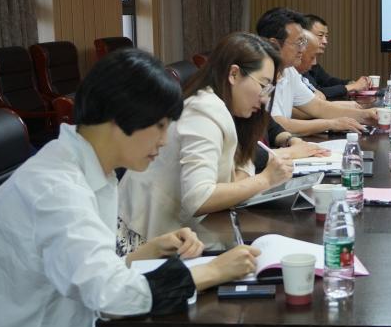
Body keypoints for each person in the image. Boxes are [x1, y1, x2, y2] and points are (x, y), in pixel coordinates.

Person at [0, 49, 259, 327]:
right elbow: (110, 294)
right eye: (160, 126)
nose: (165, 140)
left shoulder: (85, 169)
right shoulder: (55, 188)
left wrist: (142, 254)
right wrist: (213, 271)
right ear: (120, 119)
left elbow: (79, 270)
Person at [118, 32, 294, 247]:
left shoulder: (231, 110)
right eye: (263, 85)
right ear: (234, 74)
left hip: (184, 234)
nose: (265, 97)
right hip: (144, 238)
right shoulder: (203, 111)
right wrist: (265, 180)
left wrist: (241, 183)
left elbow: (244, 163)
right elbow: (199, 198)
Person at [256, 7, 378, 136]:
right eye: (298, 42)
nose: (303, 49)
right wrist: (331, 124)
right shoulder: (259, 76)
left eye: (303, 42)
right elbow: (277, 124)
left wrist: (365, 115)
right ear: (274, 44)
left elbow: (318, 107)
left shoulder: (289, 71)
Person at [304, 13, 371, 99]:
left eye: (326, 36)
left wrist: (351, 83)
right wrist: (352, 87)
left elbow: (328, 81)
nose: (325, 41)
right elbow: (316, 94)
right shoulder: (296, 66)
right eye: (320, 36)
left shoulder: (312, 64)